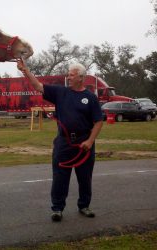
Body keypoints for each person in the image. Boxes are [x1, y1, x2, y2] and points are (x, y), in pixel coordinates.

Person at [17, 60, 103, 222]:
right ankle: (57, 208)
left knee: (85, 177)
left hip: (84, 144)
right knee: (60, 177)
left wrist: (90, 141)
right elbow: (38, 86)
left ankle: (84, 206)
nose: (68, 77)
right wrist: (25, 70)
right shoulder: (60, 92)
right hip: (64, 143)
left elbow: (98, 122)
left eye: (71, 75)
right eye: (68, 74)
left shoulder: (90, 98)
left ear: (81, 78)